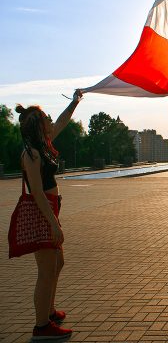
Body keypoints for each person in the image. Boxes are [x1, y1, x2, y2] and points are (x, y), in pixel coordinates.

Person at [13, 90, 83, 340]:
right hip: (43, 212)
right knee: (46, 270)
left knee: (57, 263)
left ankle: (49, 310)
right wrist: (54, 224)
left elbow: (62, 121)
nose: (51, 120)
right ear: (38, 125)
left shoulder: (42, 144)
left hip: (51, 210)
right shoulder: (30, 154)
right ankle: (41, 326)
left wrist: (75, 102)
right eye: (46, 118)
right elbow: (38, 194)